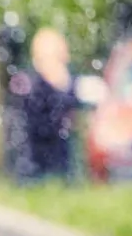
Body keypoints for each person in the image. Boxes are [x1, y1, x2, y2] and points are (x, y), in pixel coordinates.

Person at [12, 27, 81, 182]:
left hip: (60, 162)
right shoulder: (26, 82)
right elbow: (40, 121)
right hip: (32, 165)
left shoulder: (69, 82)